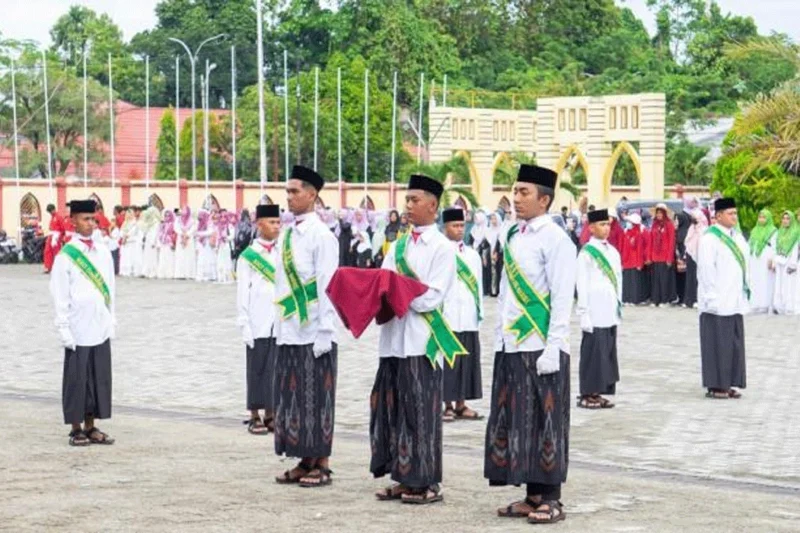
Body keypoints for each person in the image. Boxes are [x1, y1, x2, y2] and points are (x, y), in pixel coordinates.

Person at [486, 164, 575, 525]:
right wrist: (498, 334)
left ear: (545, 199)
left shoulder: (556, 240)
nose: (516, 198)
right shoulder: (513, 235)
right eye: (515, 191)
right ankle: (531, 493)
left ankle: (551, 498)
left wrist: (554, 345)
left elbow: (561, 295)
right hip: (512, 343)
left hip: (541, 345)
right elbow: (507, 292)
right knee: (518, 421)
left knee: (546, 420)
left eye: (524, 193)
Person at [371, 174, 461, 505]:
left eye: (414, 200)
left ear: (433, 205)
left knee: (420, 412)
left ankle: (425, 481)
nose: (407, 206)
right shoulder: (398, 245)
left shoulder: (442, 249)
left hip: (422, 341)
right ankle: (401, 474)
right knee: (393, 408)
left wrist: (399, 292)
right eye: (406, 200)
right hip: (394, 338)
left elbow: (431, 297)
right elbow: (384, 282)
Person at [273, 166, 339, 488]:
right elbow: (280, 284)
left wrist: (326, 329)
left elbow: (328, 284)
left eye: (294, 191)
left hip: (315, 331)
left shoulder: (322, 236)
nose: (289, 197)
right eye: (287, 191)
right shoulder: (286, 235)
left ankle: (322, 463)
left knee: (318, 398)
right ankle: (304, 459)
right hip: (290, 330)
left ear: (312, 195)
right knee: (296, 397)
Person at [49, 200, 116, 446]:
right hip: (77, 326)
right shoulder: (66, 256)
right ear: (73, 221)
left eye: (93, 219)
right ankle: (76, 428)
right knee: (78, 378)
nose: (91, 224)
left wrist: (112, 317)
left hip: (99, 323)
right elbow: (59, 294)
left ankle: (91, 426)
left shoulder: (103, 251)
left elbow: (110, 287)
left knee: (98, 377)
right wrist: (63, 327)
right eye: (85, 219)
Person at [697, 198, 749, 400]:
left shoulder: (738, 237)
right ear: (718, 216)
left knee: (733, 344)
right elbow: (706, 269)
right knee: (717, 344)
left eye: (736, 213)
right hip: (716, 301)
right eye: (730, 213)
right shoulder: (709, 239)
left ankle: (729, 382)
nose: (734, 217)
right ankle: (716, 385)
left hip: (734, 299)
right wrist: (711, 296)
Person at [237, 204, 281, 435]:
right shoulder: (248, 257)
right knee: (257, 367)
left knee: (275, 367)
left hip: (278, 319)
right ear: (259, 224)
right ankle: (254, 414)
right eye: (272, 222)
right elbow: (243, 290)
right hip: (257, 319)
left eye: (278, 222)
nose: (276, 226)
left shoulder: (281, 251)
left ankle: (271, 413)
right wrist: (244, 321)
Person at [441, 208, 484, 423]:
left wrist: (480, 312)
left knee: (466, 361)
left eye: (461, 226)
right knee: (449, 361)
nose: (459, 230)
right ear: (445, 227)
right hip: (447, 315)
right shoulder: (439, 252)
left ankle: (461, 404)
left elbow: (478, 286)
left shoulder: (472, 255)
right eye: (454, 226)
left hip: (467, 315)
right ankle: (446, 404)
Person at [576, 208, 622, 409]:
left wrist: (618, 304)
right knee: (593, 351)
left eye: (608, 224)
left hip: (609, 308)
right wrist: (583, 312)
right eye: (602, 225)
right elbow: (582, 284)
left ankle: (600, 390)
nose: (606, 228)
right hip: (594, 309)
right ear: (592, 228)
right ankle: (588, 392)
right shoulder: (586, 253)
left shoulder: (612, 251)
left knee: (606, 352)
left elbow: (618, 280)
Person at [748, 210, 778, 314]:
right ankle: (755, 303)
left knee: (766, 280)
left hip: (766, 258)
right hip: (755, 258)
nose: (761, 219)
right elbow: (750, 244)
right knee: (755, 280)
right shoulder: (754, 230)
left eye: (764, 217)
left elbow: (775, 247)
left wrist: (773, 260)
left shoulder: (773, 231)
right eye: (760, 217)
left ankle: (765, 304)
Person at [648, 203, 676, 307]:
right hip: (655, 256)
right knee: (655, 280)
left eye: (661, 213)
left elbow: (671, 242)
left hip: (665, 257)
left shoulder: (669, 225)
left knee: (664, 280)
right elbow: (651, 240)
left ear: (664, 214)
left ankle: (665, 300)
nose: (659, 214)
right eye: (657, 213)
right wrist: (650, 256)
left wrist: (669, 258)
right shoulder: (654, 224)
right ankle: (655, 300)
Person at [682, 198, 708, 308]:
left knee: (699, 278)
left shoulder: (704, 229)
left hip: (700, 256)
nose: (693, 220)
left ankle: (698, 299)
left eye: (695, 218)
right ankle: (689, 300)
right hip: (690, 255)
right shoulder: (691, 228)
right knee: (690, 278)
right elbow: (687, 241)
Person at [773, 211, 799, 315]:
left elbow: (796, 249)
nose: (785, 221)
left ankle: (789, 307)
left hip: (789, 262)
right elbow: (776, 248)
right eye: (783, 218)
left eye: (788, 218)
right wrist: (775, 261)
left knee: (789, 284)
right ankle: (779, 306)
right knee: (780, 284)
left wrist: (793, 264)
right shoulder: (780, 232)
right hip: (780, 261)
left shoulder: (796, 232)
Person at [621, 213, 649, 305]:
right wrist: (622, 261)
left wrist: (640, 263)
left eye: (629, 222)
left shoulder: (639, 233)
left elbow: (640, 249)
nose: (627, 223)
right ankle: (627, 299)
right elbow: (623, 247)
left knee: (635, 281)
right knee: (627, 281)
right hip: (627, 261)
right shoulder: (626, 232)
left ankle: (635, 299)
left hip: (635, 260)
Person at [174, 206, 196, 280]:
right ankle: (180, 274)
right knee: (180, 256)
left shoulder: (192, 220)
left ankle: (189, 274)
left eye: (185, 210)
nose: (183, 212)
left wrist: (187, 234)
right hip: (180, 239)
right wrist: (181, 233)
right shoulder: (178, 219)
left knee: (189, 256)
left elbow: (194, 228)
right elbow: (175, 227)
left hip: (189, 239)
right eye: (182, 210)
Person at [141, 206, 162, 279]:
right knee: (147, 256)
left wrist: (153, 242)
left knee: (152, 257)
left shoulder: (156, 221)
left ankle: (152, 272)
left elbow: (155, 232)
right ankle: (145, 272)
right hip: (148, 240)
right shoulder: (149, 221)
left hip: (152, 242)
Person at [119, 209, 141, 277]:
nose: (128, 216)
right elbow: (121, 232)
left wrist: (126, 236)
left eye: (130, 214)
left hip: (131, 242)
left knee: (131, 257)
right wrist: (123, 236)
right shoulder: (125, 223)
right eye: (127, 214)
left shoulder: (135, 223)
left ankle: (132, 271)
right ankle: (124, 271)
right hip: (125, 243)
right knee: (125, 257)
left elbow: (133, 232)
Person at [43, 204, 65, 273]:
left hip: (56, 236)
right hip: (51, 235)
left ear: (53, 209)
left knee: (56, 252)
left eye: (50, 211)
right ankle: (48, 267)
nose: (50, 213)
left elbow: (63, 228)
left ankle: (58, 267)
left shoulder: (59, 217)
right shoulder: (52, 217)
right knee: (47, 251)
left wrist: (61, 237)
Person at [216, 211, 235, 284]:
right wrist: (217, 246)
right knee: (220, 261)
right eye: (221, 217)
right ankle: (221, 278)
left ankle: (227, 278)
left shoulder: (229, 226)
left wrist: (226, 238)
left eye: (224, 217)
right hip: (220, 246)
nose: (223, 219)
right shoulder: (219, 226)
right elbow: (217, 236)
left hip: (227, 245)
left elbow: (232, 235)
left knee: (227, 261)